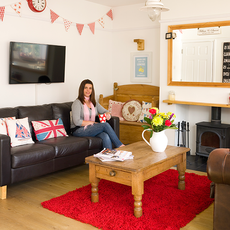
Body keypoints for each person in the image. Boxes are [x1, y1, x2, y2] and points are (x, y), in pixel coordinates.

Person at [72, 79, 124, 149]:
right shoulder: (77, 103)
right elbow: (77, 121)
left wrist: (108, 114)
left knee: (105, 135)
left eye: (90, 88)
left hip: (90, 128)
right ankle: (120, 145)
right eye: (86, 88)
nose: (88, 90)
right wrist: (93, 123)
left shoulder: (94, 103)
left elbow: (105, 111)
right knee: (105, 125)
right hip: (78, 130)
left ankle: (108, 155)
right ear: (82, 89)